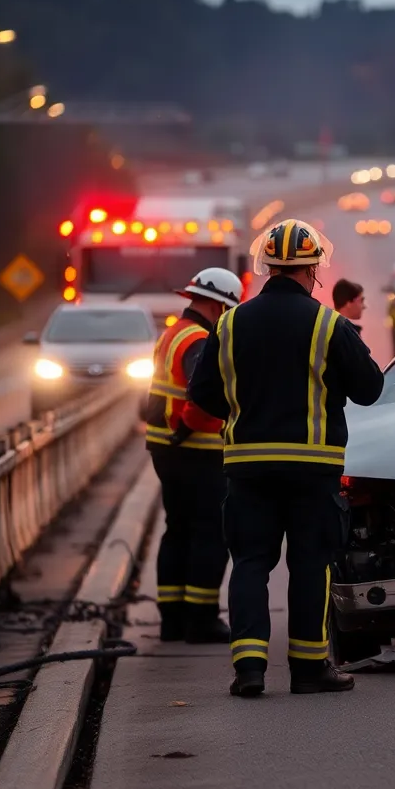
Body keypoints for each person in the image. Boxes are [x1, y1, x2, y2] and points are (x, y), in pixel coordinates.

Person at [188, 218, 385, 697]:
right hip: (311, 468)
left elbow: (203, 395)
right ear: (313, 268)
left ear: (268, 267)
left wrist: (245, 405)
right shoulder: (328, 324)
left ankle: (250, 668)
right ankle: (309, 668)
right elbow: (370, 389)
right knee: (311, 562)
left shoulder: (230, 323)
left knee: (250, 562)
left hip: (247, 466)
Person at [144, 267, 242, 645]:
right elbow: (202, 395)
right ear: (220, 306)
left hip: (165, 449)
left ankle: (172, 621)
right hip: (196, 450)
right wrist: (187, 427)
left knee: (178, 530)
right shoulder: (201, 339)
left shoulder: (173, 333)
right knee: (210, 534)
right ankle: (201, 619)